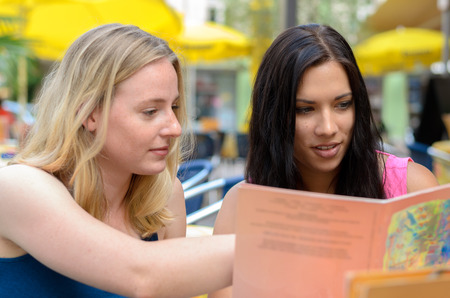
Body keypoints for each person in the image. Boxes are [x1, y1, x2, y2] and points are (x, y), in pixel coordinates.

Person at [0, 23, 233, 297]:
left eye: (174, 107)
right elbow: (141, 275)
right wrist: (280, 243)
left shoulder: (164, 197)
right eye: (150, 111)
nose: (175, 127)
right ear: (89, 113)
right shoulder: (17, 187)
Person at [210, 23, 439, 297]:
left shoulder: (412, 189)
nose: (328, 127)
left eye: (342, 104)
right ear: (274, 116)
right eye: (305, 109)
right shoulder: (243, 204)